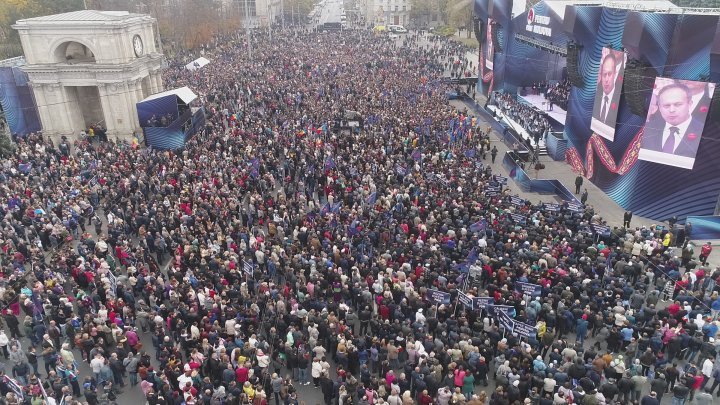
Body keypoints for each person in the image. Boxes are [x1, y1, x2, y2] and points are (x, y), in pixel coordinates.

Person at [640, 83, 705, 158]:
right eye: (666, 105)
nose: (671, 110)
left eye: (678, 104)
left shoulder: (703, 131)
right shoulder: (647, 128)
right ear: (659, 107)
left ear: (690, 104)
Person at [592, 52, 619, 125]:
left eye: (609, 74)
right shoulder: (596, 97)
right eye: (604, 74)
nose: (606, 79)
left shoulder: (619, 98)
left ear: (615, 73)